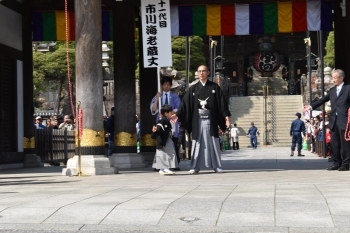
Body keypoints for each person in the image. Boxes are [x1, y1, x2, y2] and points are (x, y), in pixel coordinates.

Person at [172, 65, 231, 174]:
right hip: (197, 120)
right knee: (196, 143)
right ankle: (195, 166)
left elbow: (222, 103)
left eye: (204, 71)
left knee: (213, 142)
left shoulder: (214, 87)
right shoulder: (193, 89)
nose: (201, 73)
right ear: (197, 73)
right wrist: (177, 114)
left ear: (208, 72)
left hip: (211, 120)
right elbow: (185, 104)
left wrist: (226, 118)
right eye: (199, 71)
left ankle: (217, 165)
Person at [303, 69, 350, 171]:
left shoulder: (348, 89)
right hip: (334, 120)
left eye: (334, 77)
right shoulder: (332, 90)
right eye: (332, 77)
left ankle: (346, 164)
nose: (333, 80)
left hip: (345, 120)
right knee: (334, 143)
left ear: (341, 78)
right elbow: (323, 100)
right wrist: (310, 107)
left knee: (345, 144)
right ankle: (337, 162)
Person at [150, 76, 181, 171]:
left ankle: (173, 164)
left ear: (170, 85)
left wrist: (170, 114)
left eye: (168, 84)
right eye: (164, 84)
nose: (166, 86)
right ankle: (159, 164)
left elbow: (178, 108)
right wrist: (157, 99)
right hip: (161, 121)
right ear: (162, 85)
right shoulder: (158, 96)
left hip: (171, 121)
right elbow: (153, 110)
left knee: (172, 143)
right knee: (160, 143)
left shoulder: (175, 96)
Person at [151, 104, 178, 175]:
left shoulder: (166, 120)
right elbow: (159, 129)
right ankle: (166, 168)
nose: (171, 113)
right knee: (168, 153)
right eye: (170, 112)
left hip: (165, 140)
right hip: (164, 140)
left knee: (164, 154)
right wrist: (155, 131)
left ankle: (162, 169)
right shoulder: (162, 121)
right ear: (166, 113)